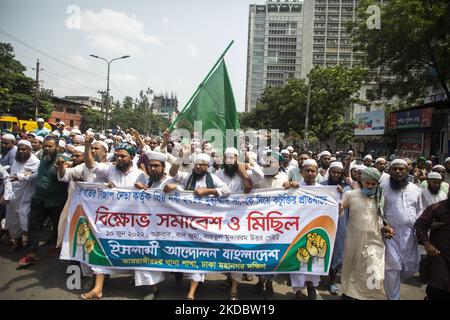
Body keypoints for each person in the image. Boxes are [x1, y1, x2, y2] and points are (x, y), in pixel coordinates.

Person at [79, 140, 148, 300]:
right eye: (117, 155)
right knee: (103, 247)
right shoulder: (110, 169)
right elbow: (91, 165)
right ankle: (98, 289)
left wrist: (141, 188)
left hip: (132, 222)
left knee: (135, 251)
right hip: (110, 220)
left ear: (131, 157)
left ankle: (146, 284)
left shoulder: (140, 174)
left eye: (122, 156)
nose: (119, 158)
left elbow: (147, 198)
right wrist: (87, 145)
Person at [167, 152, 230, 300]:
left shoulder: (213, 178)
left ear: (207, 167)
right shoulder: (187, 176)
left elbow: (226, 190)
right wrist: (180, 157)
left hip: (203, 224)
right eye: (197, 164)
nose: (198, 166)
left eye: (202, 164)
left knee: (199, 253)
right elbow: (172, 173)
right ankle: (179, 273)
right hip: (184, 222)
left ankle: (191, 292)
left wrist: (209, 191)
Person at [215, 147, 263, 299]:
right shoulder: (219, 174)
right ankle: (229, 278)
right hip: (222, 219)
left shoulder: (244, 172)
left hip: (240, 219)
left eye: (233, 158)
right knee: (224, 250)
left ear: (237, 159)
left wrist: (249, 161)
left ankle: (234, 289)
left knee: (237, 250)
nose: (229, 161)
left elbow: (260, 175)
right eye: (227, 158)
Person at [340, 167, 393, 300]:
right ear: (362, 181)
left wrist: (386, 228)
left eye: (373, 184)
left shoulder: (380, 197)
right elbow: (338, 211)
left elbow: (380, 219)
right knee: (352, 270)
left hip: (374, 241)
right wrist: (337, 208)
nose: (369, 186)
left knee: (374, 272)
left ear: (377, 184)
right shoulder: (350, 195)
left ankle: (370, 296)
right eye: (367, 183)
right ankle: (348, 294)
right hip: (354, 240)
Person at [18, 135, 69, 267]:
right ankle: (32, 253)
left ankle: (56, 246)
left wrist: (62, 167)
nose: (47, 148)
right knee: (34, 225)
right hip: (39, 198)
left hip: (56, 201)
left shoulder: (63, 160)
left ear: (57, 147)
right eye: (45, 146)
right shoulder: (41, 156)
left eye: (50, 146)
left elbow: (66, 174)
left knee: (57, 225)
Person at [381, 159, 423, 300]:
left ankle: (392, 289)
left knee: (409, 267)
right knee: (392, 269)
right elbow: (376, 210)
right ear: (389, 171)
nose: (398, 172)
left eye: (401, 169)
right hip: (390, 235)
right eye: (395, 169)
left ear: (407, 171)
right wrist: (383, 226)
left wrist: (419, 231)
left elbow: (420, 211)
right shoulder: (382, 188)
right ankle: (393, 297)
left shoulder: (415, 189)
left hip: (410, 235)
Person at [287, 159, 321, 300]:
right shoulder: (294, 188)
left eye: (313, 171)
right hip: (297, 232)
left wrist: (336, 194)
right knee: (298, 263)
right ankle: (298, 291)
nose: (310, 173)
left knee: (314, 261)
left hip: (315, 231)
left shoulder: (323, 190)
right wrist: (288, 188)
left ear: (317, 173)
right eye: (307, 170)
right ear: (301, 172)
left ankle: (311, 287)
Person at [5, 140, 40, 252]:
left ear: (30, 150)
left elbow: (34, 174)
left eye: (24, 149)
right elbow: (11, 175)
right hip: (13, 194)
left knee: (26, 217)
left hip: (26, 194)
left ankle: (31, 246)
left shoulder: (35, 161)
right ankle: (17, 241)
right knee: (13, 219)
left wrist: (20, 177)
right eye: (19, 149)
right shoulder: (17, 160)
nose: (21, 151)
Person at [320, 161, 348, 295]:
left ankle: (331, 282)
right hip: (323, 223)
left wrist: (342, 196)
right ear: (329, 172)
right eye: (333, 172)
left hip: (341, 224)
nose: (336, 174)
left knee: (337, 252)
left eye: (339, 172)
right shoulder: (321, 186)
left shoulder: (347, 188)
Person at [414, 198, 450, 300]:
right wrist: (427, 244)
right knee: (438, 288)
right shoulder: (437, 208)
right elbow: (420, 225)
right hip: (439, 254)